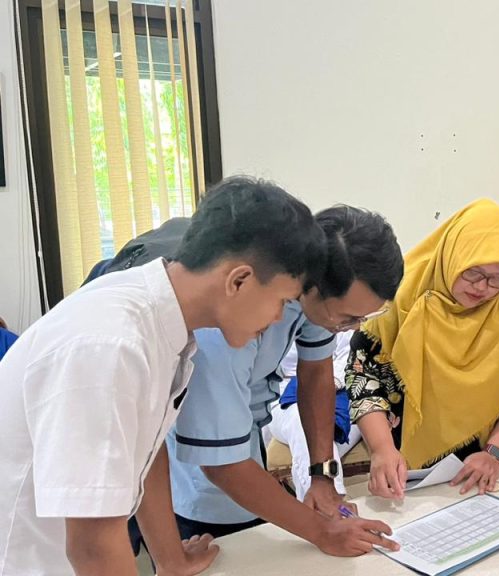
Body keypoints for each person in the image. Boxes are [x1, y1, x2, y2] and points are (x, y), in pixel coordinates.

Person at [0, 176, 322, 576]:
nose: (277, 319)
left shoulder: (163, 322)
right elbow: (92, 547)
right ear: (238, 280)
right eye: (282, 301)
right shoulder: (112, 344)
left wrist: (171, 559)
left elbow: (144, 455)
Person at [122, 205, 403, 557]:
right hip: (198, 478)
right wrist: (323, 532)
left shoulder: (313, 294)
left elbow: (316, 371)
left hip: (242, 442)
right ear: (309, 286)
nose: (354, 327)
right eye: (347, 318)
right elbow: (220, 464)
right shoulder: (222, 328)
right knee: (219, 542)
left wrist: (321, 475)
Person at [347, 198, 499, 499]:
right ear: (453, 254)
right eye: (473, 272)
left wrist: (495, 454)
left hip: (487, 450)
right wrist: (381, 449)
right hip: (402, 450)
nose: (482, 287)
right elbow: (363, 374)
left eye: (498, 278)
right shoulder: (403, 288)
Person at [267, 332, 362, 502]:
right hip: (282, 395)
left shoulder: (335, 319)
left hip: (342, 389)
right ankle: (330, 502)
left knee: (309, 449)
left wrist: (326, 384)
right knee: (301, 423)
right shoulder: (270, 324)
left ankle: (319, 503)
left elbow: (351, 355)